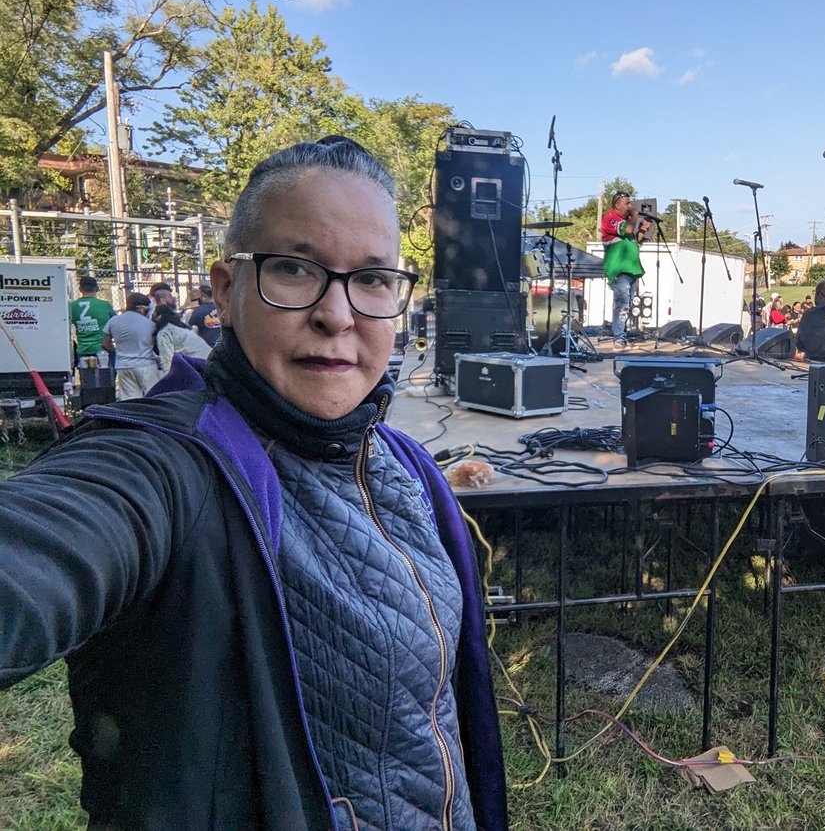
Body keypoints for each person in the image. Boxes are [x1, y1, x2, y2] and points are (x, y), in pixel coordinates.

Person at [0, 137, 507, 830]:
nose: (339, 314)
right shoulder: (167, 469)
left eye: (373, 278)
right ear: (226, 290)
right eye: (296, 269)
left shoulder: (399, 462)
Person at [600, 191, 645, 349]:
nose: (630, 206)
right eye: (627, 204)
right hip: (619, 270)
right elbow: (627, 230)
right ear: (617, 204)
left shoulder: (626, 222)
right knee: (622, 304)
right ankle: (618, 338)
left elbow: (634, 241)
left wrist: (644, 229)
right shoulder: (611, 218)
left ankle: (622, 335)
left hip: (631, 270)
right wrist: (634, 216)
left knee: (628, 304)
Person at [101, 292, 158, 399]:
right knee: (152, 397)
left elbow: (105, 344)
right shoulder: (150, 324)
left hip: (123, 365)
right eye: (147, 309)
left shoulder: (113, 321)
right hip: (146, 364)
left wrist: (117, 352)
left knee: (131, 399)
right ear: (140, 308)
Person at [152, 304, 212, 376]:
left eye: (154, 314)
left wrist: (169, 381)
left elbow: (167, 361)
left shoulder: (164, 333)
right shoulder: (182, 328)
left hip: (200, 365)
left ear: (159, 317)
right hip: (210, 359)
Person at [69, 275, 116, 367]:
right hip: (102, 349)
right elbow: (115, 323)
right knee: (107, 378)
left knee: (87, 378)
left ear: (80, 289)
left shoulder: (72, 306)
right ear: (97, 289)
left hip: (83, 349)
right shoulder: (105, 305)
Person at [187, 279, 223, 346]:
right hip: (223, 344)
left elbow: (188, 328)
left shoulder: (198, 311)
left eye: (199, 296)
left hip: (207, 346)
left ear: (204, 296)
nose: (198, 298)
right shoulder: (222, 308)